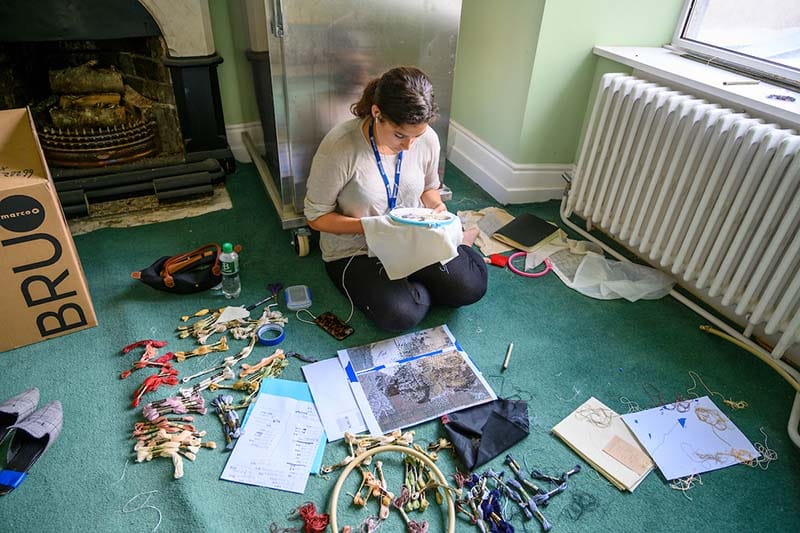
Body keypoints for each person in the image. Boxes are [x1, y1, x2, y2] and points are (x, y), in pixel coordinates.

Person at [304, 66, 487, 332]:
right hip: (357, 250)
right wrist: (374, 226)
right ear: (377, 113)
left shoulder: (427, 139)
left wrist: (436, 206)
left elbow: (429, 188)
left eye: (417, 136)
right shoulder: (340, 147)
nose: (409, 145)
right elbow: (316, 218)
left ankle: (448, 253)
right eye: (400, 135)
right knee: (399, 315)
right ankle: (416, 283)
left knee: (471, 287)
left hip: (414, 238)